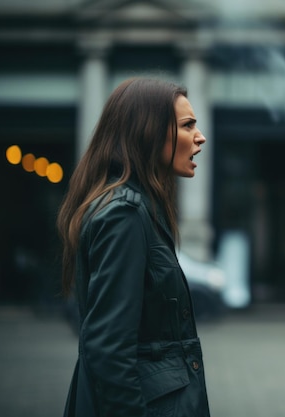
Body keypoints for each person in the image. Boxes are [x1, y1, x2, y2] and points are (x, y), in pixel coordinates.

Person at [57, 77, 210, 417]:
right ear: (148, 132)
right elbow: (109, 349)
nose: (200, 137)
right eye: (187, 125)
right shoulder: (124, 215)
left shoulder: (138, 208)